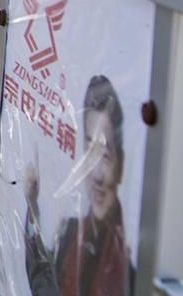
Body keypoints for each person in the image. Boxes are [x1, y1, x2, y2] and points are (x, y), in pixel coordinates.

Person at [23, 74, 135, 295]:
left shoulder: (129, 272)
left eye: (106, 155)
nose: (97, 176)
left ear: (121, 163)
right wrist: (31, 205)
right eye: (91, 152)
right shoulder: (70, 234)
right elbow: (44, 284)